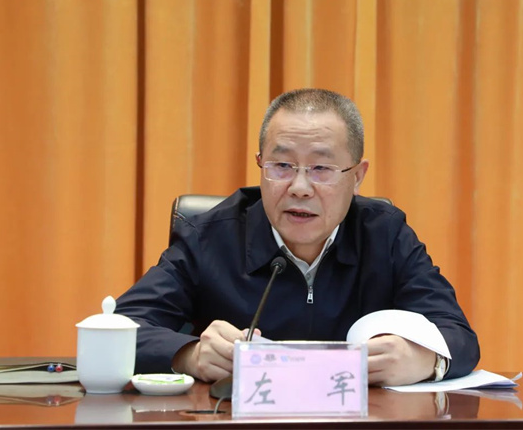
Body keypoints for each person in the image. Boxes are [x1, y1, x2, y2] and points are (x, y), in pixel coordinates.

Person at [116, 88, 480, 386]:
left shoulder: (384, 234)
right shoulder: (210, 237)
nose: (300, 187)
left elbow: (457, 333)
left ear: (357, 176)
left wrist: (426, 360)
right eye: (282, 166)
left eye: (321, 168)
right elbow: (121, 329)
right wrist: (190, 354)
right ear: (260, 164)